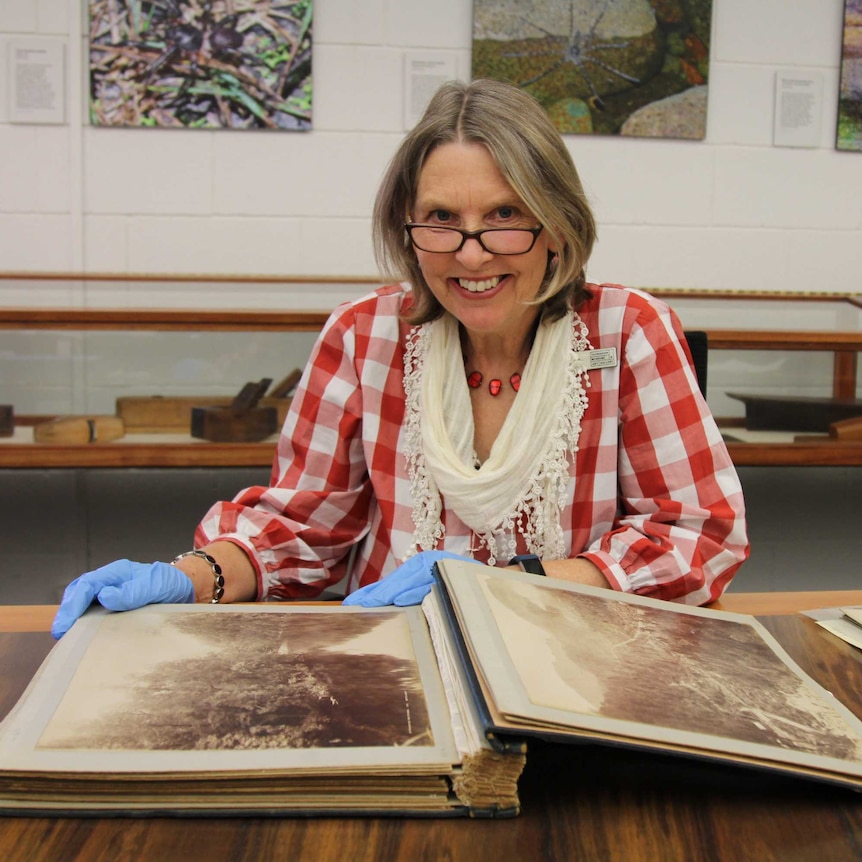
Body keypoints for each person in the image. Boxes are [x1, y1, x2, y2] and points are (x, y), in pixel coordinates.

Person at [51, 78, 749, 639]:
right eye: (442, 219)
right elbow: (302, 528)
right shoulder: (366, 336)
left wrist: (514, 583)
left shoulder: (627, 332)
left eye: (505, 216)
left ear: (557, 226)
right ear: (407, 228)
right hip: (393, 657)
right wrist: (193, 574)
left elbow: (699, 535)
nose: (471, 255)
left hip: (568, 663)